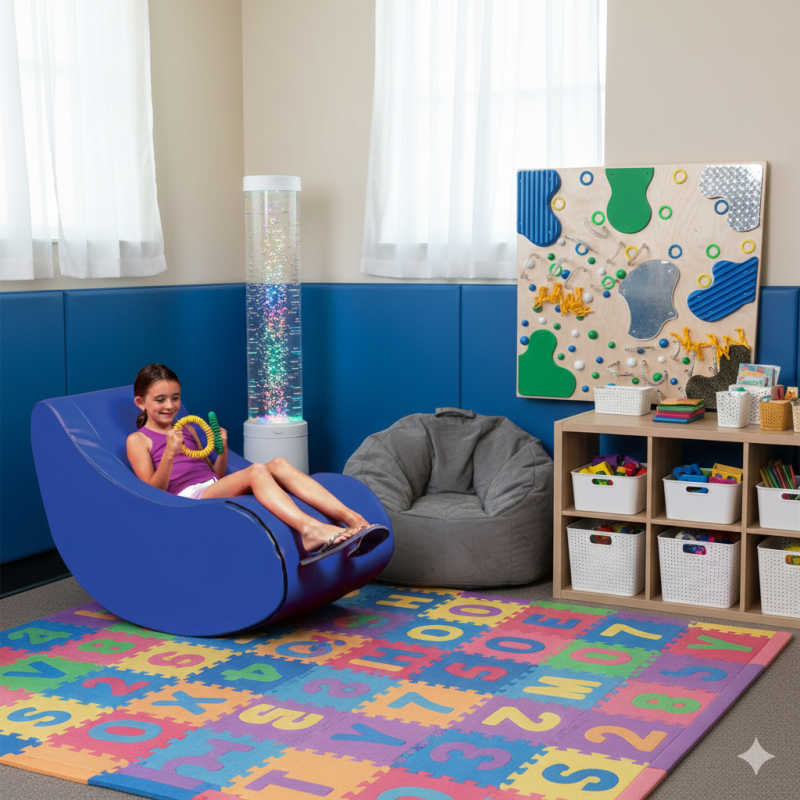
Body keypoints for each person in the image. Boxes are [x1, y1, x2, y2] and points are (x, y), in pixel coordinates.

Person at [126, 364, 372, 558]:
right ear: (141, 402)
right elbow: (152, 492)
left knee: (278, 464)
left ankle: (352, 518)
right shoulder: (138, 440)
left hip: (209, 487)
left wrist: (221, 452)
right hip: (185, 500)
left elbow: (214, 475)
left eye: (175, 398)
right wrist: (168, 454)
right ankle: (309, 529)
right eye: (160, 400)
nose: (170, 406)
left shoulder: (187, 430)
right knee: (256, 471)